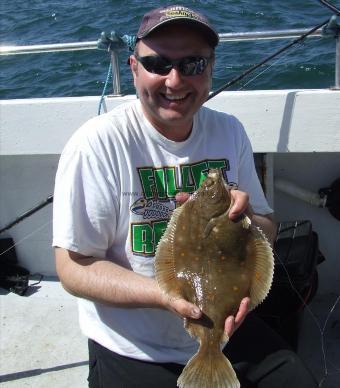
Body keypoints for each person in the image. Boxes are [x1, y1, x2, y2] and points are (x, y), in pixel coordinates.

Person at [53, 5, 318, 388]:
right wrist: (166, 296)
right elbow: (73, 266)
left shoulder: (230, 131)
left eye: (193, 64)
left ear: (210, 68)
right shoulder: (97, 145)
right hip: (133, 346)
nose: (175, 81)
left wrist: (248, 220)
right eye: (158, 63)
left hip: (230, 332)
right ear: (132, 67)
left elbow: (266, 230)